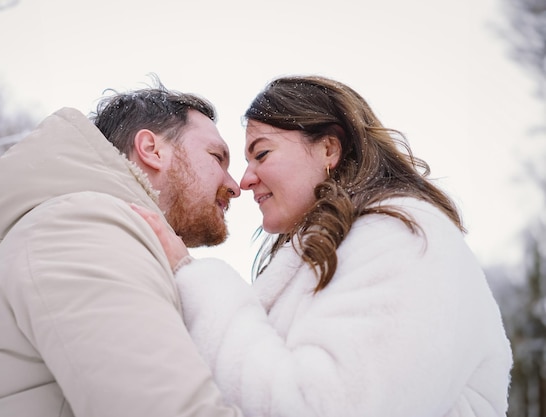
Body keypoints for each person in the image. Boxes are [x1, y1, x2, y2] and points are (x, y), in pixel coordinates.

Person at [133, 75, 513, 417]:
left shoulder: (407, 238)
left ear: (329, 148)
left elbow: (326, 406)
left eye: (261, 153)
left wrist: (196, 278)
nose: (245, 180)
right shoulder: (337, 250)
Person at [0, 81, 245, 417]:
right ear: (152, 149)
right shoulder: (83, 226)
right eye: (217, 157)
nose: (235, 186)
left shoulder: (93, 229)